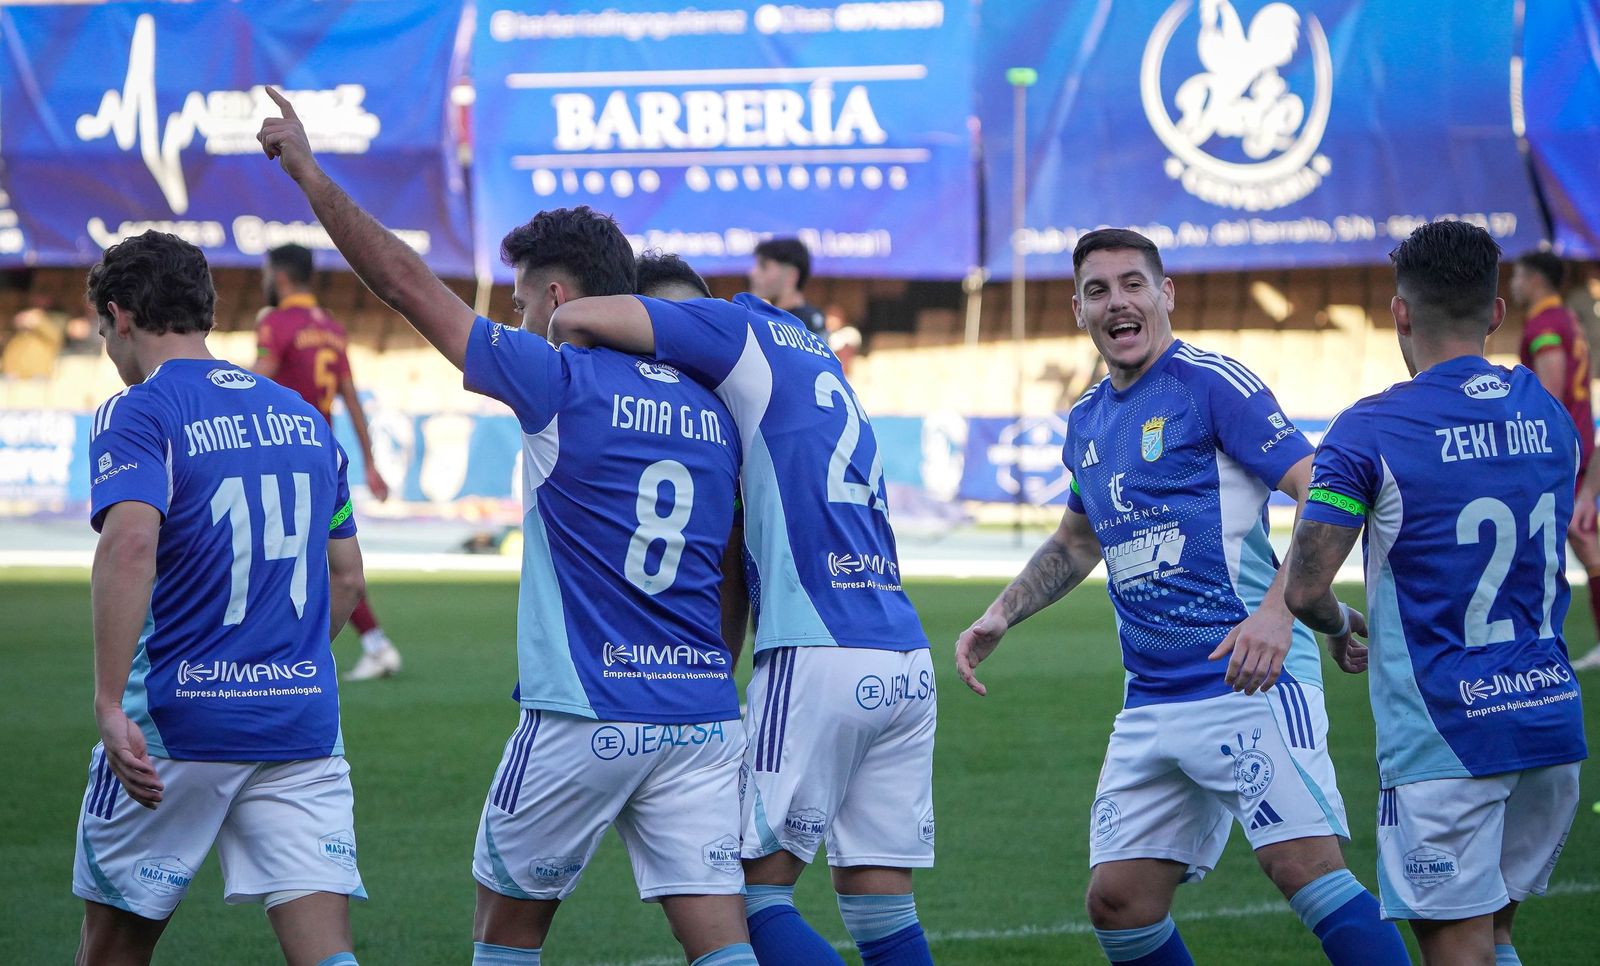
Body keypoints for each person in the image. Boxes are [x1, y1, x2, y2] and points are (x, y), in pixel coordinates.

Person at [259, 89, 758, 966]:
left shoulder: (559, 380)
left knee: (506, 933)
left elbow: (408, 285)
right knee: (720, 945)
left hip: (585, 712)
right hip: (704, 717)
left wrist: (308, 172)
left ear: (558, 296)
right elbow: (729, 564)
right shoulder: (712, 408)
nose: (515, 318)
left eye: (522, 300)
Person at [953, 228, 1407, 966]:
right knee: (1119, 902)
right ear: (1077, 308)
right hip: (1152, 699)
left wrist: (1280, 609)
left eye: (1133, 283)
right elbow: (1077, 540)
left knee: (1303, 869)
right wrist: (1002, 611)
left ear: (1166, 294)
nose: (1117, 302)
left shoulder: (1210, 382)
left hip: (1247, 678)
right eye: (1098, 291)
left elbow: (1319, 483)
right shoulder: (1088, 419)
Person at [553, 261, 936, 965]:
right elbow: (734, 564)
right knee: (881, 908)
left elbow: (572, 320)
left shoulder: (722, 328)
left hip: (817, 648)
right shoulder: (798, 345)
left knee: (746, 900)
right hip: (902, 654)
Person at [1285, 220, 1588, 966]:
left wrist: (1342, 622)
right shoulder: (1548, 417)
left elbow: (1304, 588)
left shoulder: (1369, 430)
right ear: (1493, 313)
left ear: (1399, 313)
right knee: (1498, 937)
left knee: (1459, 952)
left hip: (1448, 737)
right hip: (1549, 730)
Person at [74, 230, 368, 965]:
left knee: (113, 947)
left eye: (103, 329)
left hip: (177, 723)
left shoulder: (137, 410)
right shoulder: (305, 419)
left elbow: (130, 545)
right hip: (301, 722)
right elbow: (348, 578)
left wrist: (110, 702)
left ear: (121, 316)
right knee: (324, 952)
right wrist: (278, 661)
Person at [255, 243, 401, 681]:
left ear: (280, 276)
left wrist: (219, 391)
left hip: (281, 454)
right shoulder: (332, 329)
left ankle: (276, 652)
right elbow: (352, 400)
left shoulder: (275, 322)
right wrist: (370, 463)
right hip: (322, 455)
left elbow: (260, 374)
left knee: (284, 554)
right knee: (320, 555)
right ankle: (374, 644)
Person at [1511, 250, 1600, 672]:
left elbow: (1550, 391)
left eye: (1518, 274)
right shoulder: (1566, 319)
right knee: (1581, 543)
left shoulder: (1545, 324)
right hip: (1579, 447)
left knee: (1567, 542)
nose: (1512, 282)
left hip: (1559, 454)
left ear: (1535, 279)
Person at [750, 237, 827, 335]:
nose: (753, 273)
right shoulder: (764, 317)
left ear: (791, 275)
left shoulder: (807, 324)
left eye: (764, 266)